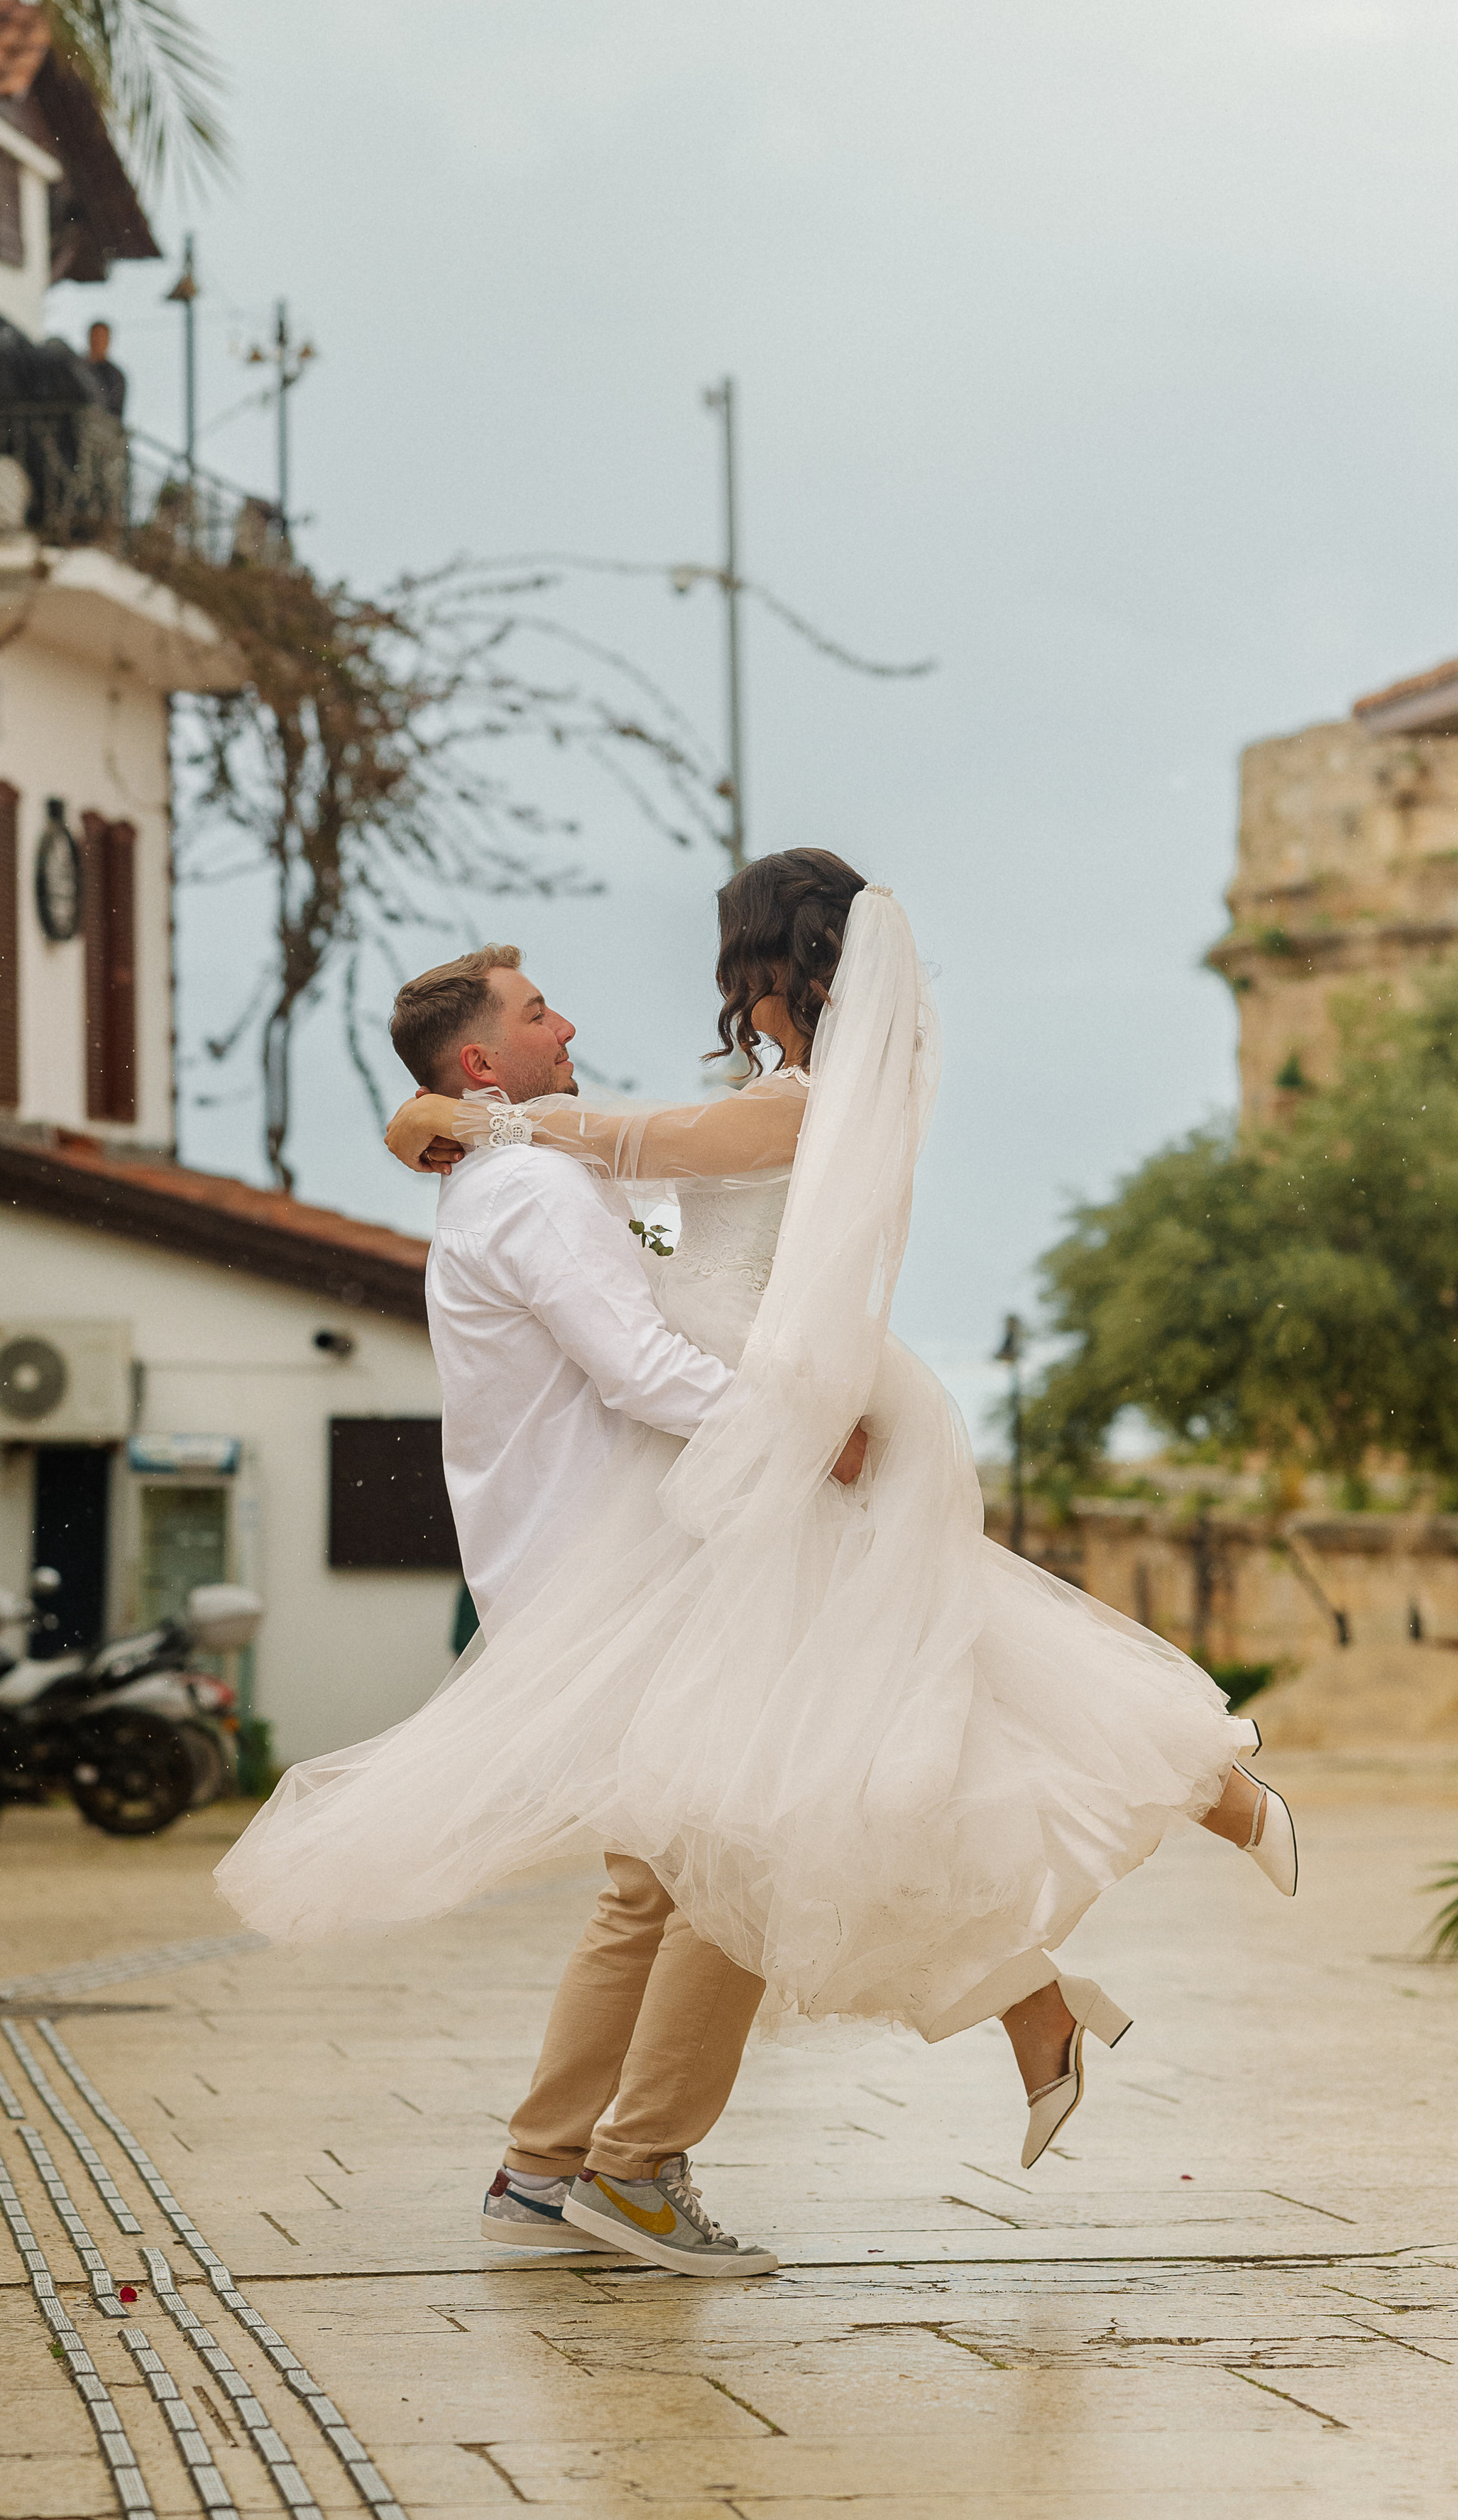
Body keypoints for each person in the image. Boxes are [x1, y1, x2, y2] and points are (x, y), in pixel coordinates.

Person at [217, 857, 1295, 2274]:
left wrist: (469, 1117)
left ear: (769, 968)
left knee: (776, 1799)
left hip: (750, 1465)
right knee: (746, 1825)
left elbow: (653, 1173)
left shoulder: (776, 1111)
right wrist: (478, 1123)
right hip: (712, 1485)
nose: (578, 1018)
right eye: (539, 1008)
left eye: (728, 961)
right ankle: (620, 2161)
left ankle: (587, 2160)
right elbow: (651, 1260)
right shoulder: (602, 1166)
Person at [84, 320, 126, 420]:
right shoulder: (78, 369)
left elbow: (115, 413)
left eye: (101, 338)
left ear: (108, 340)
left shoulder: (115, 376)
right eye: (95, 337)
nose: (98, 342)